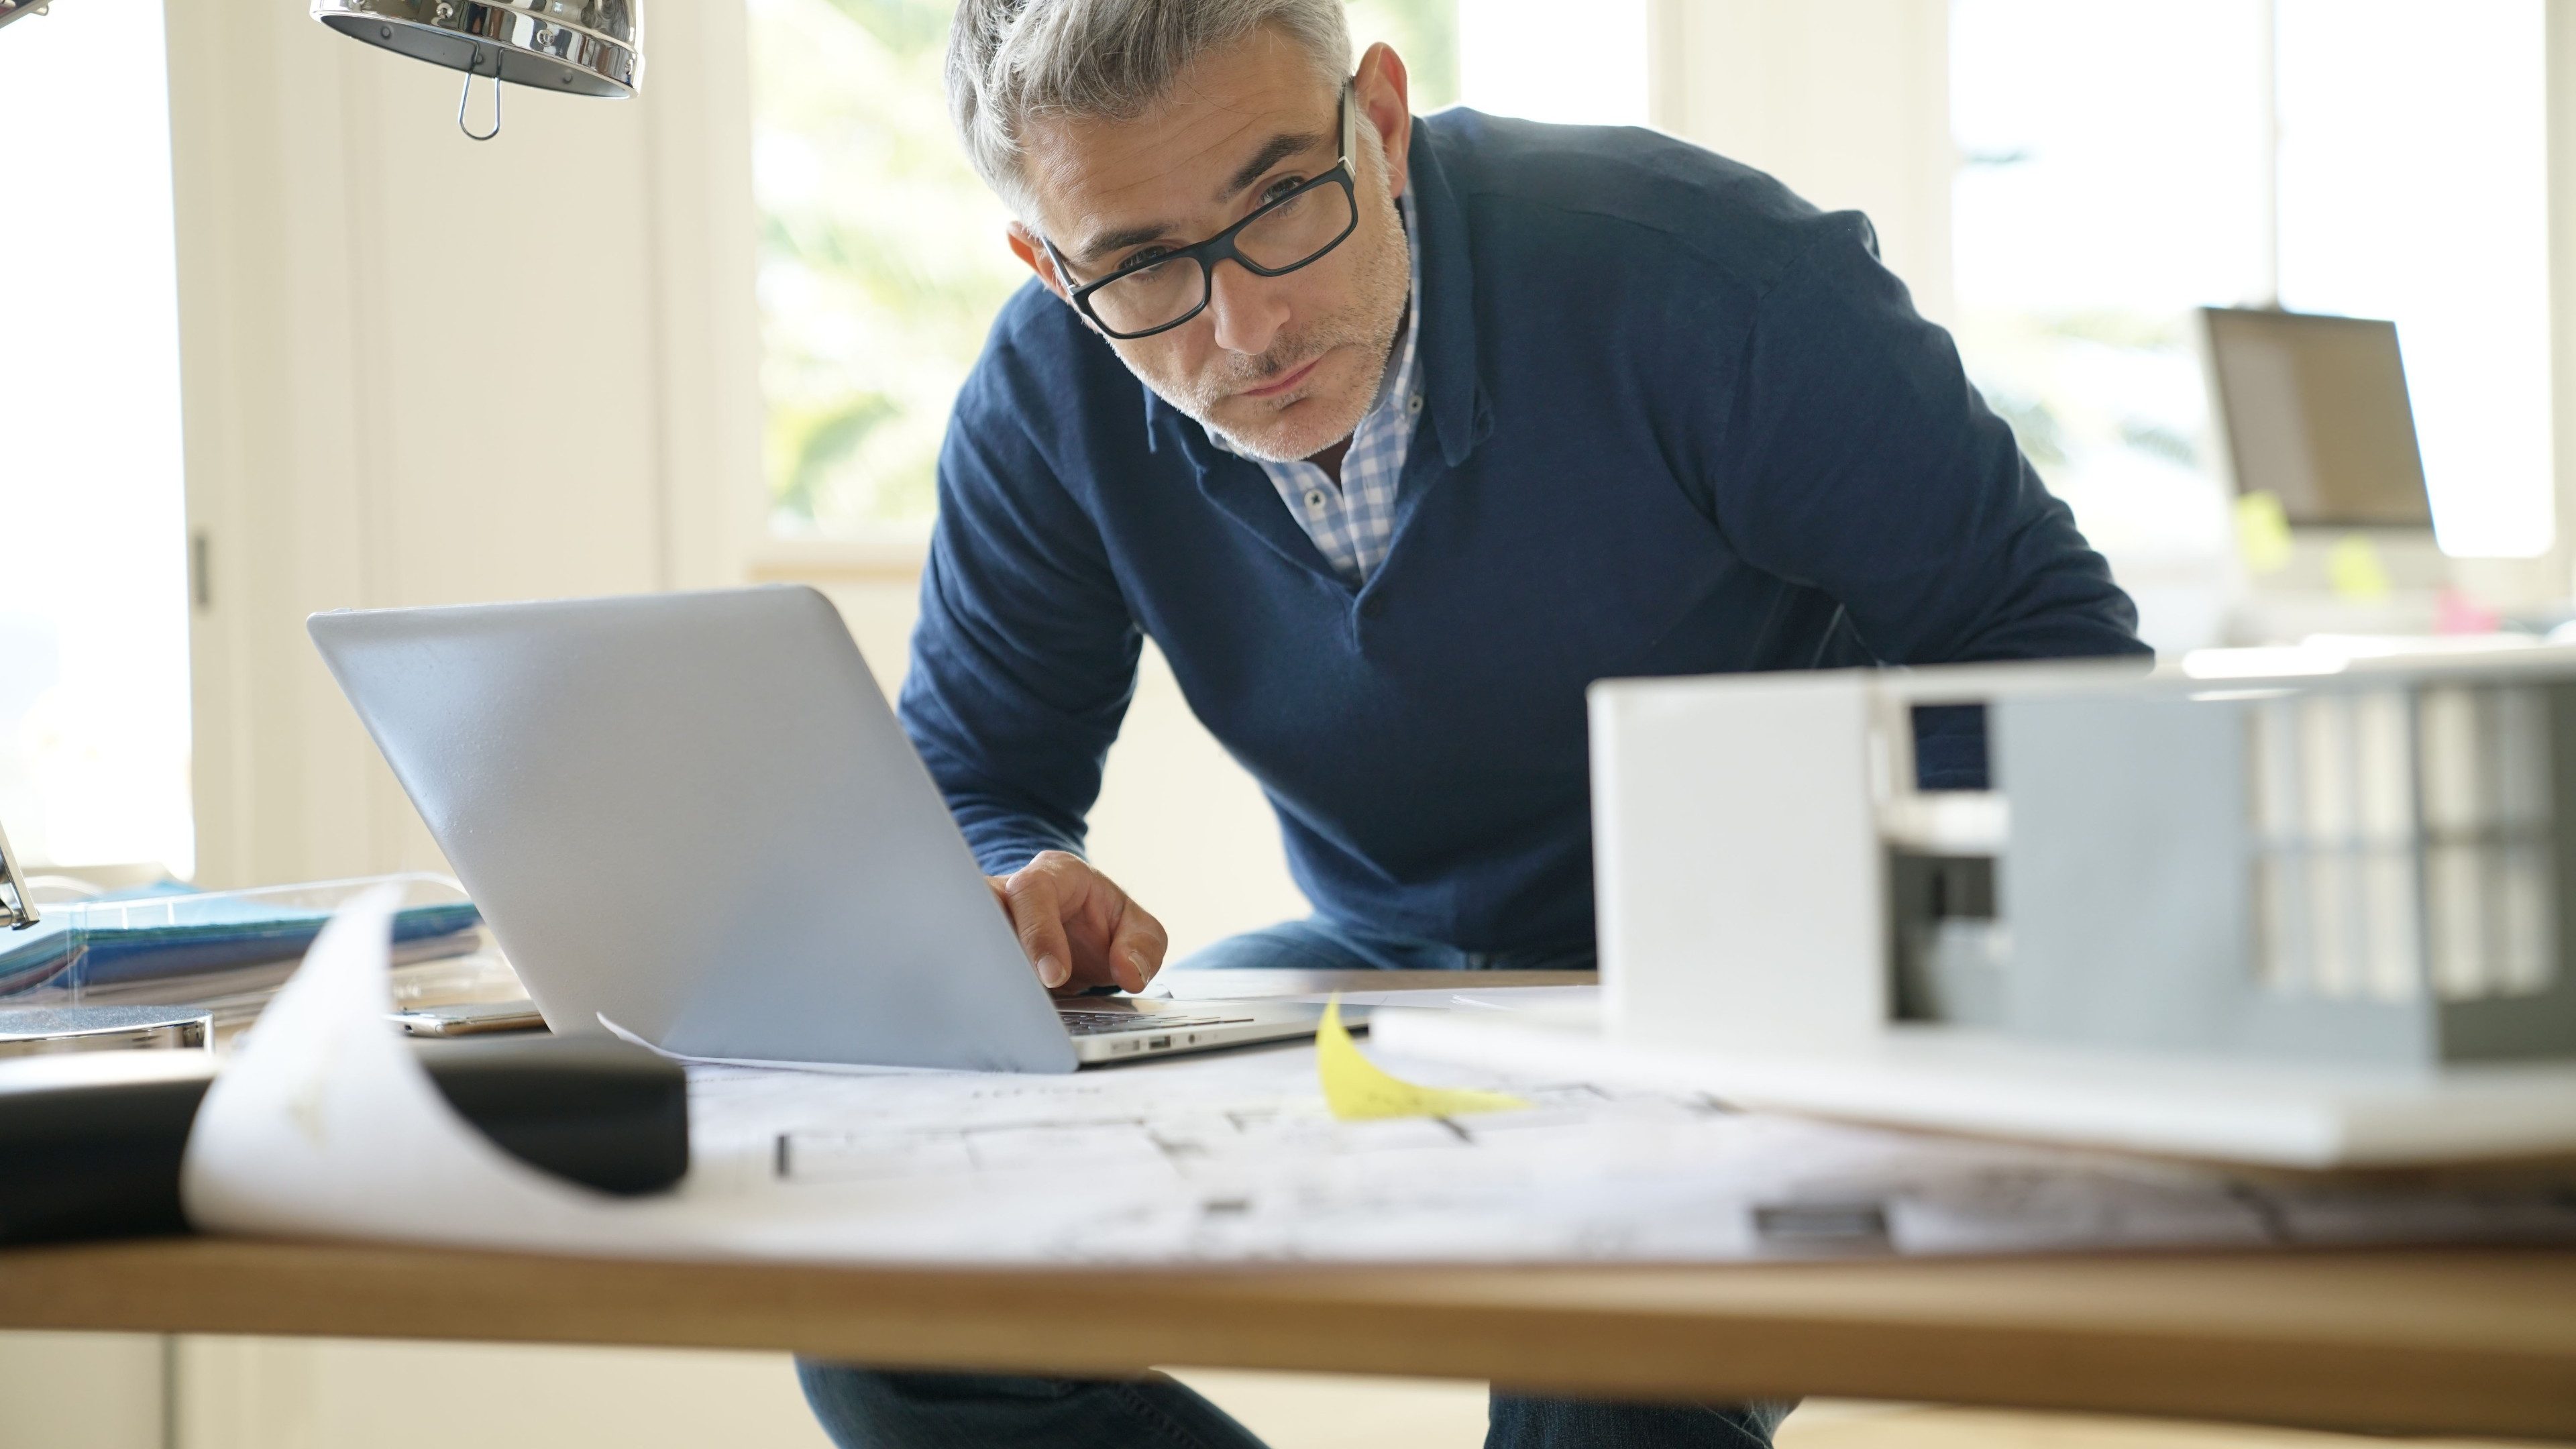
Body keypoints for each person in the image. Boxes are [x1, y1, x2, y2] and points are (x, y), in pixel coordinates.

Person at [802, 1, 2149, 1444]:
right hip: (1393, 975)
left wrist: (1833, 964)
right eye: (1138, 268)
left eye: (1280, 202)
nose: (1245, 328)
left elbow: (2054, 661)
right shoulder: (1045, 391)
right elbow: (971, 777)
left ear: (1377, 122)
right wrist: (1015, 883)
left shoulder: (1710, 279)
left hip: (1757, 980)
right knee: (897, 1314)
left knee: (1597, 1370)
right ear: (1049, 264)